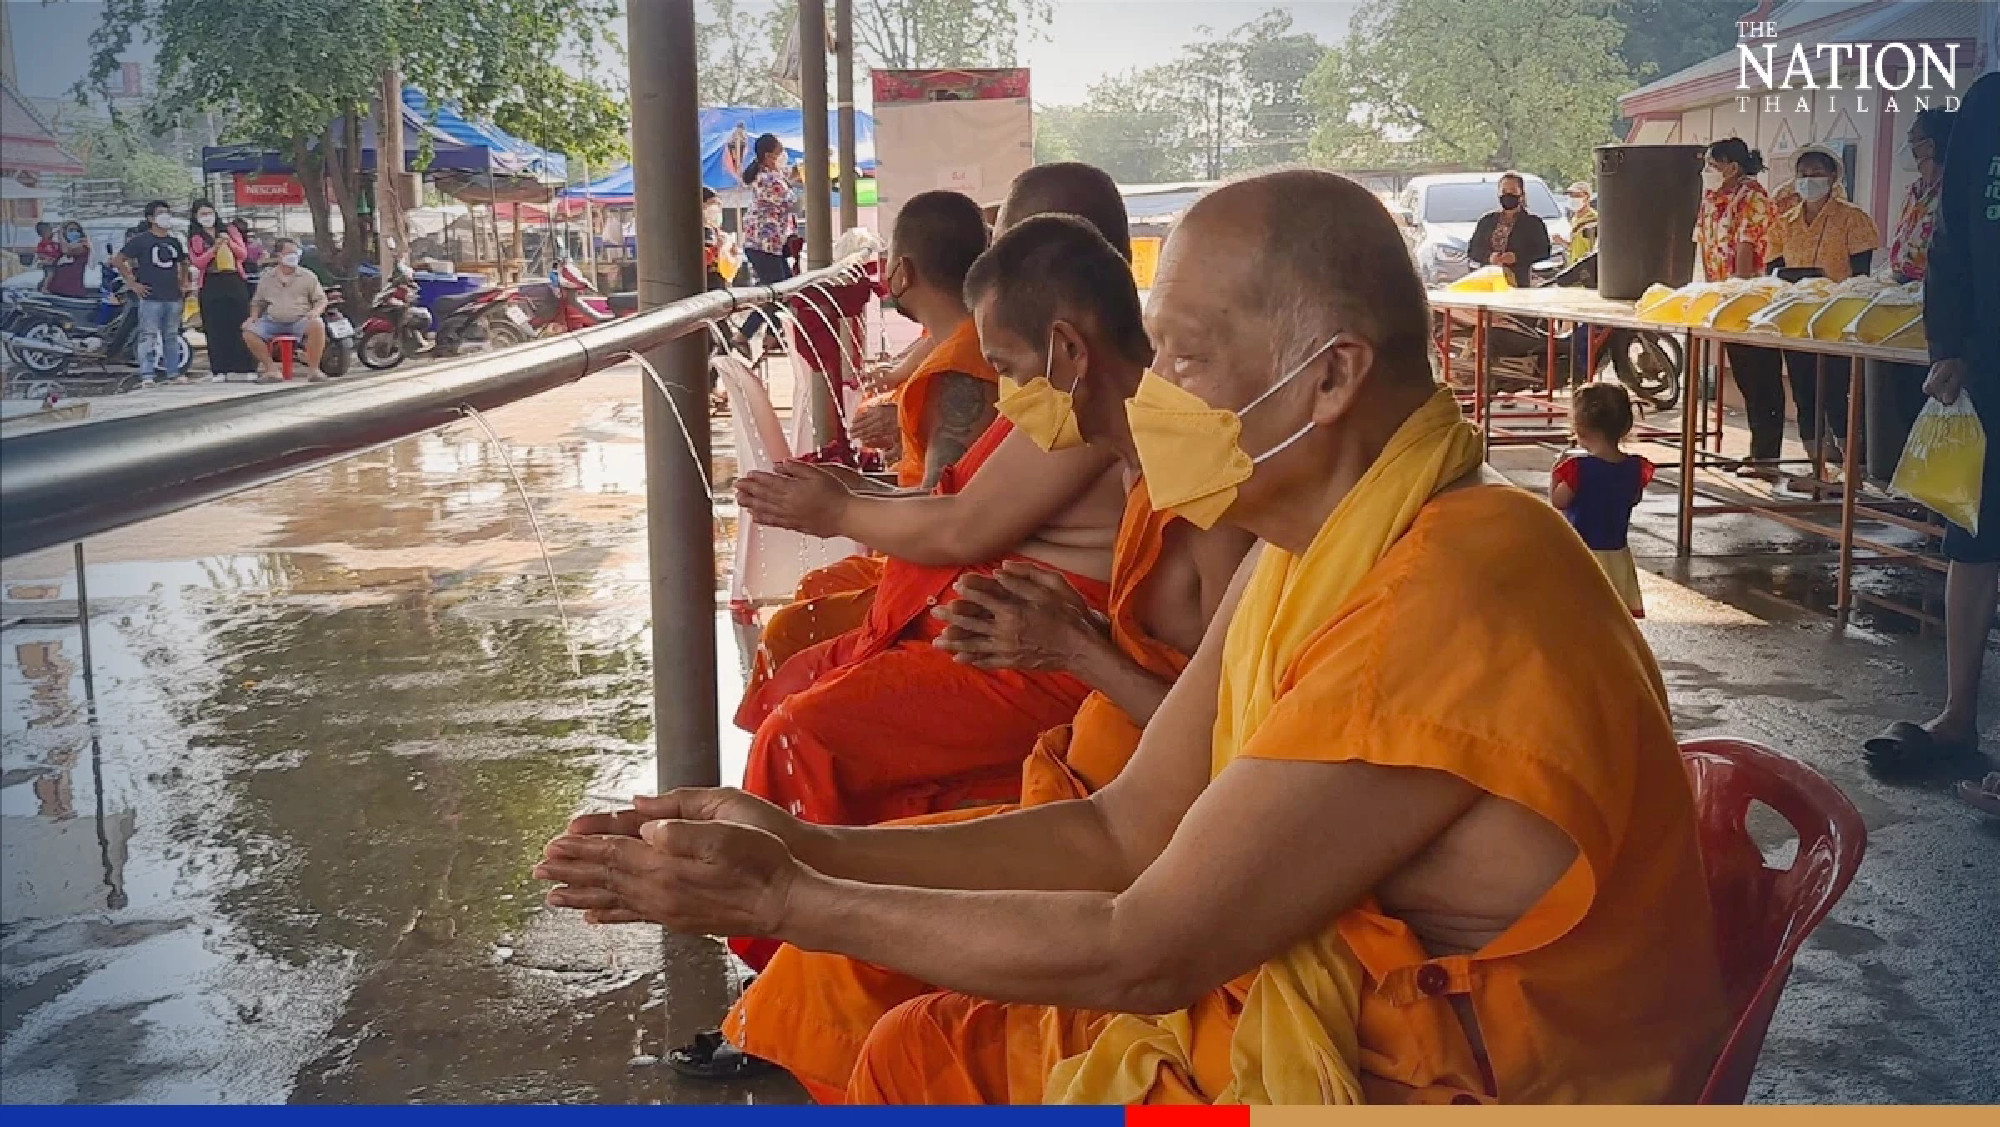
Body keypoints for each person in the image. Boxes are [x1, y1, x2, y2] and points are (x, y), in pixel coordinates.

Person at [537, 169, 1732, 1105]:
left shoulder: (1449, 584)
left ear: (1328, 380)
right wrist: (797, 844)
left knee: (929, 1057)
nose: (1153, 391)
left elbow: (1143, 948)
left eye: (1188, 358)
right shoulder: (1305, 545)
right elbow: (1125, 826)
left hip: (1448, 1085)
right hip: (1341, 1023)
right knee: (922, 1040)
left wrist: (794, 896)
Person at [672, 213, 1256, 1086]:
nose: (1170, 382)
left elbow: (1232, 757)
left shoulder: (1217, 497)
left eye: (1184, 356)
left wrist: (1077, 650)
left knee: (884, 992)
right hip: (1104, 785)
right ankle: (780, 948)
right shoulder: (1150, 467)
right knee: (844, 923)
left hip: (1148, 821)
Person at [737, 166, 1134, 707]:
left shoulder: (1088, 394)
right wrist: (848, 488)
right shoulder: (1040, 373)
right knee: (800, 635)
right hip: (993, 605)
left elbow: (965, 524)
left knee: (801, 717)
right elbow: (960, 498)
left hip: (1024, 631)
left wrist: (837, 509)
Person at [1866, 66, 1999, 772]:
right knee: (1973, 535)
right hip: (1985, 368)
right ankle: (1957, 719)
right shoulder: (1987, 104)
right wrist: (1950, 346)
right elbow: (1950, 241)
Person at [1766, 145, 1880, 466]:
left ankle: (1851, 468)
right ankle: (1817, 467)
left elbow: (1861, 275)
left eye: (1816, 173)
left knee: (1836, 393)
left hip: (1837, 320)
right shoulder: (1784, 222)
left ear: (1833, 176)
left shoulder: (1853, 219)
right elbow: (1772, 269)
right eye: (1803, 174)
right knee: (1804, 391)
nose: (1808, 180)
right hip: (1796, 319)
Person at [1871, 107, 1958, 480]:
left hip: (1937, 306)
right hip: (1900, 303)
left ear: (1932, 145)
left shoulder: (1956, 189)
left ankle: (1932, 494)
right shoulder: (1915, 191)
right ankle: (1907, 481)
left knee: (1933, 402)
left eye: (1914, 140)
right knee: (1901, 400)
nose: (1909, 147)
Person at [1697, 138, 1783, 472]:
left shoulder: (1753, 197)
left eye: (1712, 165)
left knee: (1762, 375)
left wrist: (1738, 292)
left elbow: (1747, 248)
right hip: (1724, 298)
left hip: (1751, 299)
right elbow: (1706, 246)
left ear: (1732, 166)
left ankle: (1767, 455)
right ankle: (1756, 451)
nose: (1708, 172)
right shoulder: (1713, 198)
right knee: (1745, 376)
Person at [1550, 384, 1653, 618]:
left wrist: (1556, 474)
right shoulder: (1635, 467)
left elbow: (1559, 501)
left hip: (1583, 553)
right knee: (1614, 615)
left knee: (1581, 613)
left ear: (1580, 428)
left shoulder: (1578, 469)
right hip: (1617, 554)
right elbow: (1634, 498)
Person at [111, 200, 192, 388]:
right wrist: (132, 283)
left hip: (173, 295)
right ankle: (147, 375)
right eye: (161, 213)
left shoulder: (173, 241)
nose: (166, 216)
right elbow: (118, 260)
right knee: (148, 335)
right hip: (150, 296)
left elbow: (183, 262)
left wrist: (183, 283)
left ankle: (174, 373)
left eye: (167, 212)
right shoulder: (141, 240)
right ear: (150, 218)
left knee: (171, 335)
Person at [739, 133, 801, 349]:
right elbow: (792, 202)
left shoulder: (771, 174)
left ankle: (769, 335)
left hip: (769, 245)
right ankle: (747, 335)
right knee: (778, 292)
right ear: (768, 156)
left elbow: (789, 176)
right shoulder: (768, 179)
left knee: (783, 289)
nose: (783, 157)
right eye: (779, 153)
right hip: (763, 244)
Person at [242, 237, 329, 382]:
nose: (293, 256)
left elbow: (321, 299)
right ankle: (272, 370)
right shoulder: (267, 278)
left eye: (296, 253)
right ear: (279, 255)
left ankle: (314, 370)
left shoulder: (307, 276)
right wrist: (253, 317)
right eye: (289, 253)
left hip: (300, 319)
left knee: (318, 325)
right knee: (249, 332)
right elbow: (257, 302)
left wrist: (315, 312)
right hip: (273, 320)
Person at [188, 200, 257, 377]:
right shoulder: (195, 237)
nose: (207, 217)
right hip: (211, 282)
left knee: (240, 322)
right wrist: (214, 249)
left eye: (209, 213)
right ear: (196, 217)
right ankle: (220, 369)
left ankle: (247, 366)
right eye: (202, 214)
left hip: (233, 280)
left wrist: (229, 243)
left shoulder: (229, 230)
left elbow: (243, 254)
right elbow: (198, 262)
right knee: (215, 326)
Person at [1467, 171, 1551, 287]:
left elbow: (1543, 251)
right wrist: (1490, 257)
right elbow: (1473, 250)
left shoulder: (1533, 223)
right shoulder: (1486, 221)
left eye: (1513, 191)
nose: (1508, 194)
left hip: (1520, 282)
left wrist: (1517, 257)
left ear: (1521, 194)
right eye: (1504, 191)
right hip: (1489, 281)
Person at [45, 220, 91, 298]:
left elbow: (67, 250)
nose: (74, 232)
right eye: (71, 230)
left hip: (73, 292)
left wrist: (60, 235)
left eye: (77, 230)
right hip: (55, 291)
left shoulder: (83, 246)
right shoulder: (60, 247)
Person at [1563, 181, 1597, 264]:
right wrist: (1562, 242)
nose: (1573, 198)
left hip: (1587, 266)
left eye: (1577, 195)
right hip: (1575, 265)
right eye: (1571, 196)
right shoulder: (1574, 218)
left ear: (1587, 197)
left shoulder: (1593, 219)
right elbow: (1576, 246)